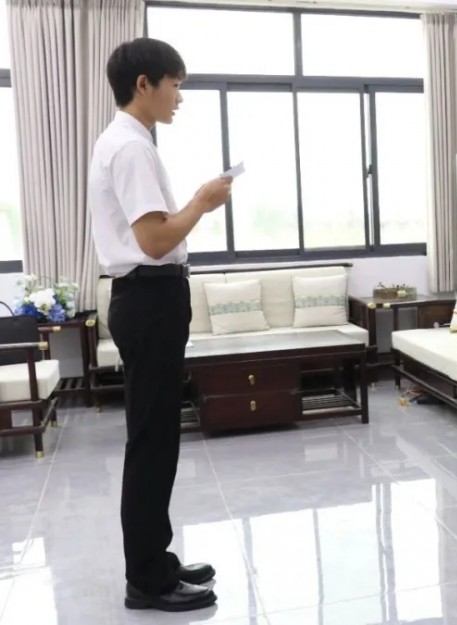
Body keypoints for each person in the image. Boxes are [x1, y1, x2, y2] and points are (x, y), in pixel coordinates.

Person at [88, 38, 232, 612]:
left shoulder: (127, 141)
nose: (179, 97)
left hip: (149, 299)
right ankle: (148, 579)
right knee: (152, 440)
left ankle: (157, 560)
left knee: (157, 436)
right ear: (144, 84)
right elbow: (152, 241)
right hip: (149, 298)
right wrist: (202, 201)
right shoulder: (130, 147)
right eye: (175, 84)